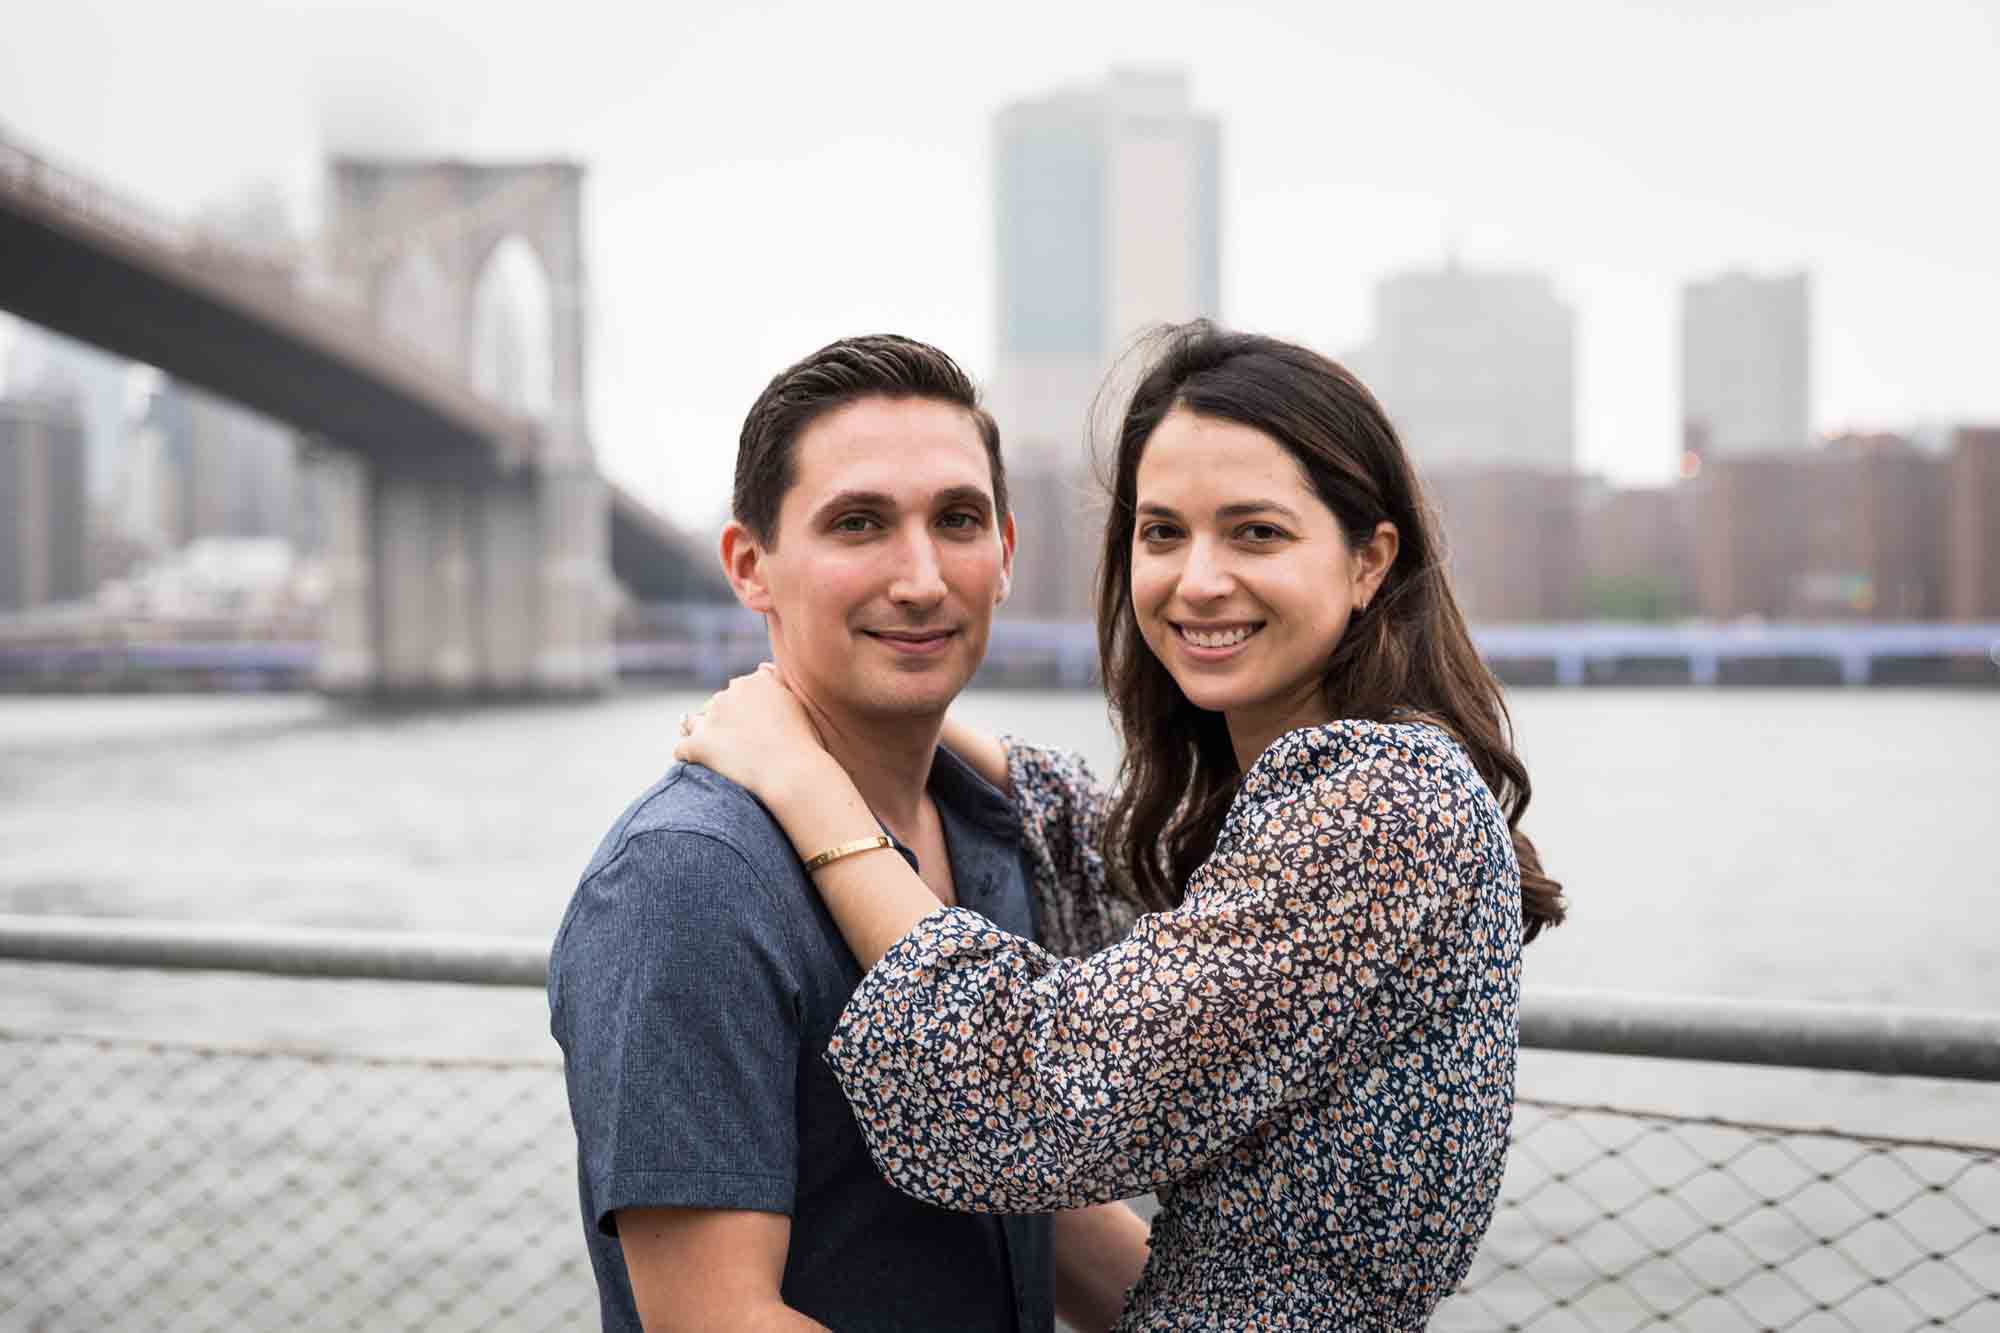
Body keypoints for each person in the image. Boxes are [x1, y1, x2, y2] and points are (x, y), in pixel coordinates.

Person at [676, 321, 1568, 1331]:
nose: (1196, 579)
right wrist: (893, 703)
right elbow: (1102, 855)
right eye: (1161, 532)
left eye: (1255, 532)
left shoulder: (1385, 806)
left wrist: (805, 781)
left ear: (1368, 560)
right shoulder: (1285, 803)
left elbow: (1032, 1093)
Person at [549, 334, 1151, 1333]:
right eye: (859, 523)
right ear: (750, 566)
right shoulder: (689, 877)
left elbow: (1033, 1219)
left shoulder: (996, 830)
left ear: (1002, 554)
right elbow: (717, 1321)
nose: (918, 578)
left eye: (955, 520)